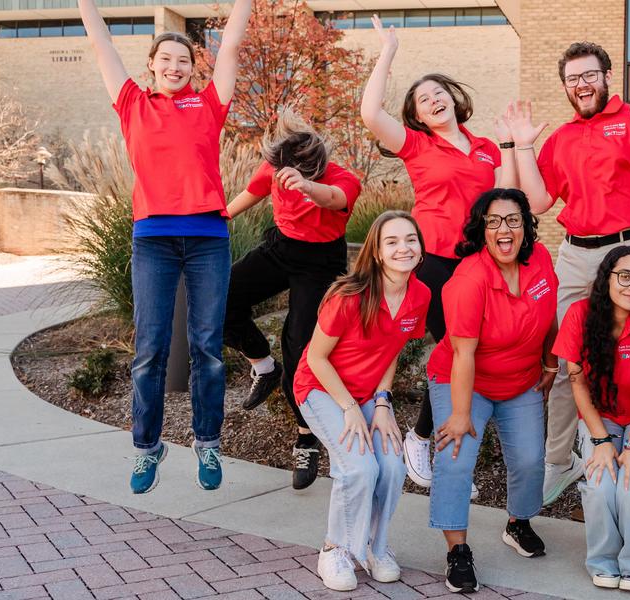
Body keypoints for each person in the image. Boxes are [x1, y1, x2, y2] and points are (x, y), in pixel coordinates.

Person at [78, 0, 251, 494]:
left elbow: (231, 47)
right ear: (151, 64)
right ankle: (146, 447)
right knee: (150, 348)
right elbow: (102, 46)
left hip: (207, 240)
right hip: (153, 239)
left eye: (184, 61)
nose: (175, 67)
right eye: (166, 59)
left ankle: (207, 442)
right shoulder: (133, 103)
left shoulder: (209, 103)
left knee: (207, 347)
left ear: (194, 68)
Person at [506, 41, 630, 506]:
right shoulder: (563, 137)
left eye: (589, 75)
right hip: (576, 254)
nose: (581, 84)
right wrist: (524, 145)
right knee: (568, 360)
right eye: (572, 79)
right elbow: (538, 202)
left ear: (606, 76)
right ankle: (559, 460)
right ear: (565, 87)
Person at [360, 15, 516, 493]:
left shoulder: (486, 147)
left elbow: (508, 198)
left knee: (472, 351)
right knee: (455, 348)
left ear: (453, 97)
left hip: (477, 262)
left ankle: (434, 445)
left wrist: (514, 145)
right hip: (433, 261)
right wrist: (388, 52)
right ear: (418, 117)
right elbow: (370, 113)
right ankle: (425, 440)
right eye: (423, 100)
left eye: (438, 92)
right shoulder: (417, 146)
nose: (433, 100)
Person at [424, 189, 557, 593]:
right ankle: (457, 551)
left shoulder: (541, 260)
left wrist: (550, 363)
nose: (505, 229)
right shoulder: (469, 279)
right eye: (494, 221)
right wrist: (461, 414)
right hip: (464, 379)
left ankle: (518, 523)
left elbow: (549, 316)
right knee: (456, 458)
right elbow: (463, 354)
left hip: (520, 379)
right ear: (482, 229)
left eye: (513, 220)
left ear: (526, 226)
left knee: (531, 459)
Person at [222, 109, 362, 491]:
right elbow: (248, 196)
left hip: (320, 264)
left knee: (301, 348)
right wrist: (215, 219)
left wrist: (306, 186)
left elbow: (334, 198)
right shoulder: (274, 167)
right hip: (281, 249)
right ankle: (263, 365)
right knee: (221, 300)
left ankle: (306, 439)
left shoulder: (342, 179)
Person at [291, 211, 428, 592]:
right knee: (358, 468)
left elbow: (392, 349)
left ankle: (372, 545)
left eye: (411, 239)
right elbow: (316, 358)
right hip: (320, 388)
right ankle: (334, 549)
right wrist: (350, 409)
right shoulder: (349, 296)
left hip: (368, 393)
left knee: (393, 465)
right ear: (378, 252)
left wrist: (382, 403)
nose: (404, 248)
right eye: (392, 241)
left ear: (421, 248)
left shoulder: (420, 294)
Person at [552, 245, 630, 593]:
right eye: (625, 276)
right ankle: (604, 561)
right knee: (600, 481)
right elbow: (577, 382)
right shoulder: (580, 314)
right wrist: (601, 441)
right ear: (606, 278)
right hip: (601, 415)